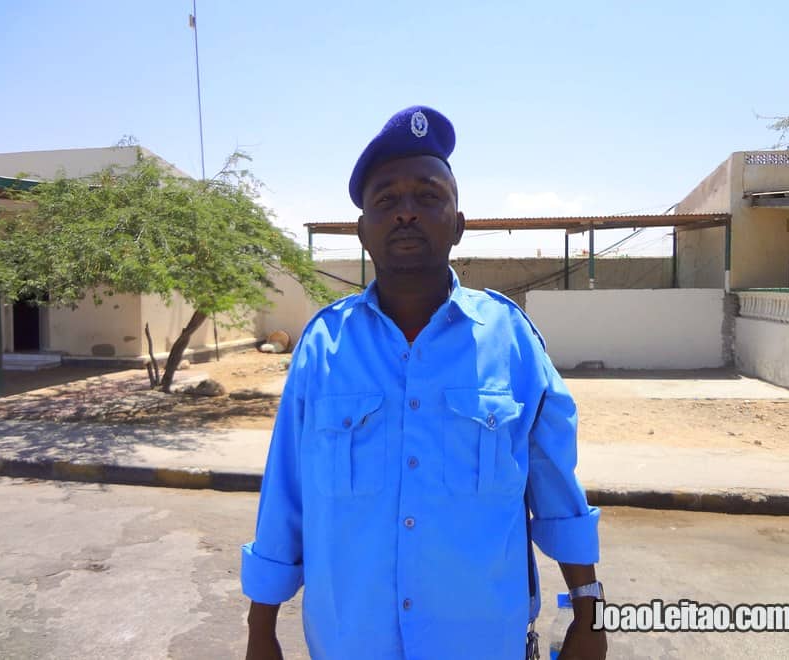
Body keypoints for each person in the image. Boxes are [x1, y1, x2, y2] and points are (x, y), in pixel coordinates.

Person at [241, 106, 606, 660]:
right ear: (363, 231)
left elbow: (557, 486)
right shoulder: (323, 347)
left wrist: (589, 611)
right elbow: (286, 495)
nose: (406, 213)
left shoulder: (511, 339)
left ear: (458, 224)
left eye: (427, 196)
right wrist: (259, 631)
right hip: (349, 644)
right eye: (385, 200)